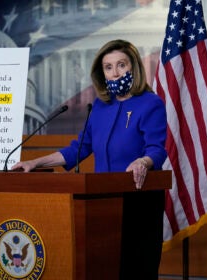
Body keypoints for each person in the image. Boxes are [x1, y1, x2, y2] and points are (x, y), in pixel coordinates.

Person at [12, 39, 167, 279]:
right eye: (108, 67)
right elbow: (78, 149)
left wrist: (142, 162)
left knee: (136, 270)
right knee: (104, 268)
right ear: (102, 73)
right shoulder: (100, 107)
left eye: (121, 65)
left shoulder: (151, 103)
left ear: (133, 67)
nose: (115, 73)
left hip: (138, 201)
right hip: (102, 203)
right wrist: (36, 163)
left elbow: (157, 149)